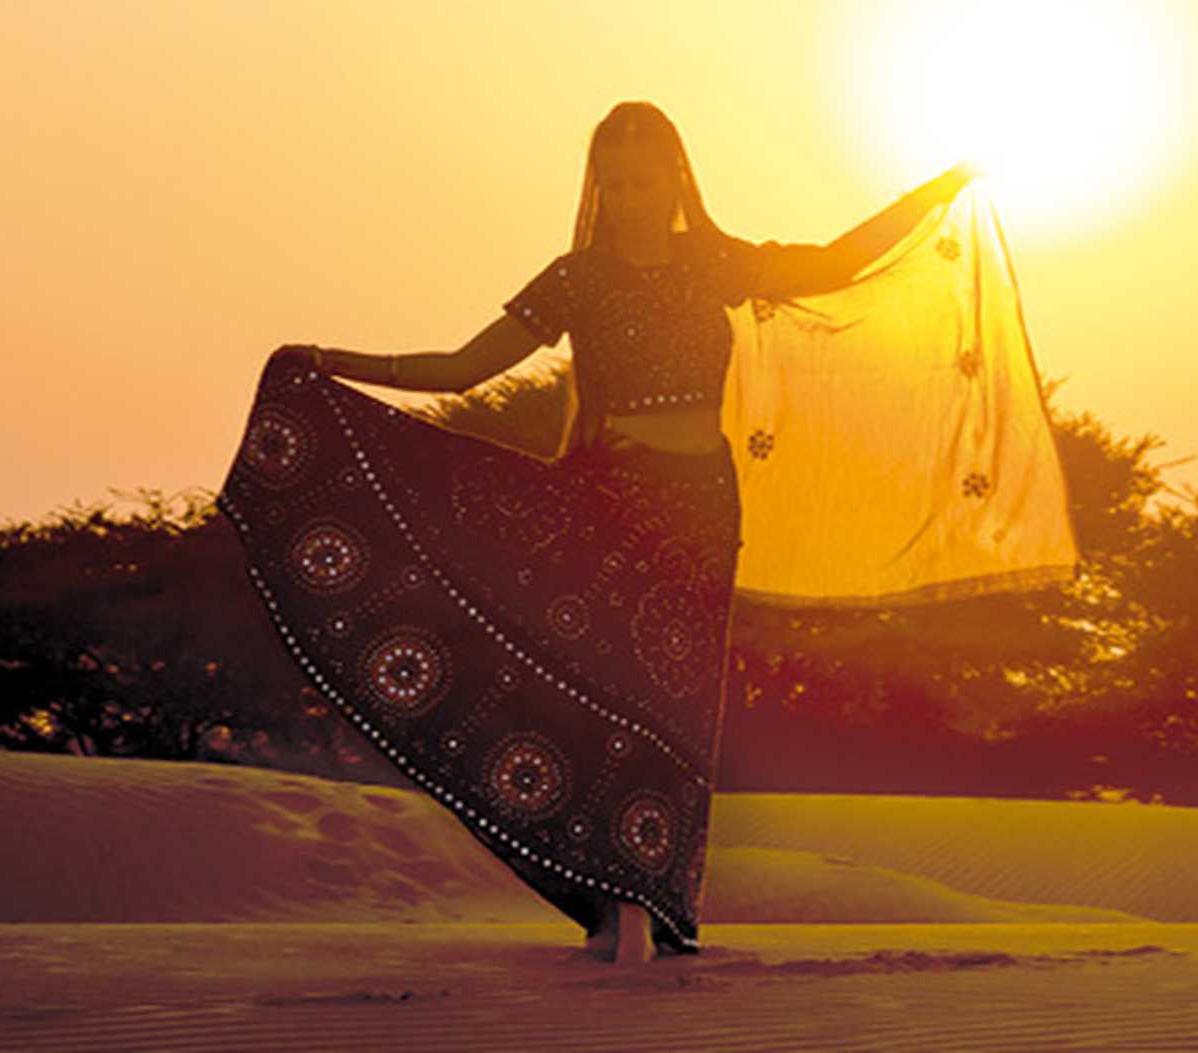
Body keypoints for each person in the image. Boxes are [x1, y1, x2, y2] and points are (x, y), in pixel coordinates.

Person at [217, 100, 976, 964]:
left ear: (675, 179)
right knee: (608, 691)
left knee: (677, 702)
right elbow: (465, 368)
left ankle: (647, 900)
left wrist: (937, 190)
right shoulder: (576, 278)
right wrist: (332, 361)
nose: (628, 197)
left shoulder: (714, 262)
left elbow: (835, 263)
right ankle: (613, 905)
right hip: (610, 501)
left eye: (642, 180)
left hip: (702, 506)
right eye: (613, 183)